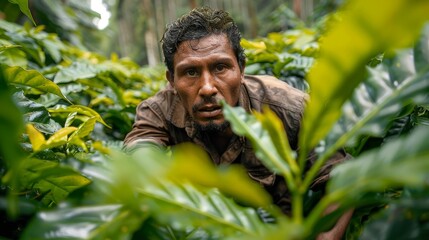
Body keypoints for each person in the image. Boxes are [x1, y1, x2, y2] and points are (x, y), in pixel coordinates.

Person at [124, 7, 352, 239]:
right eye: (191, 72)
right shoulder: (160, 108)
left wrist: (326, 235)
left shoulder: (289, 108)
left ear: (241, 69)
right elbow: (141, 146)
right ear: (171, 80)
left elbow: (342, 178)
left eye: (220, 67)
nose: (207, 88)